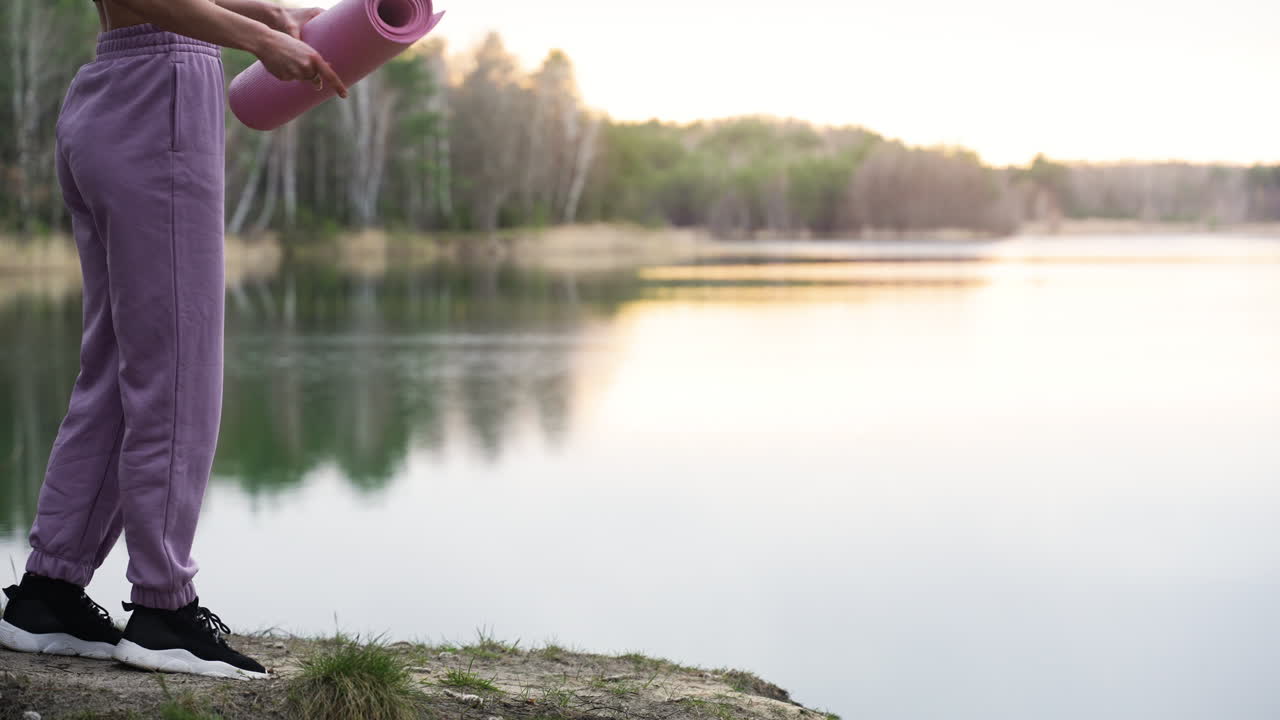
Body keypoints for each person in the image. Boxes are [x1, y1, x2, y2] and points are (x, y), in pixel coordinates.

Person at [0, 0, 348, 680]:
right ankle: (163, 611)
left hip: (116, 93)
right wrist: (254, 37)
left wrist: (264, 12)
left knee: (114, 374)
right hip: (157, 99)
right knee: (179, 371)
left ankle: (48, 595)